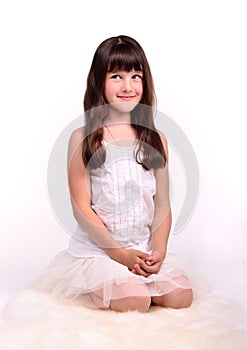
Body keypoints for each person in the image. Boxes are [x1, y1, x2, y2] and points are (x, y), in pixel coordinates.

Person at [33, 35, 193, 313]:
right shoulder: (83, 138)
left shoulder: (156, 139)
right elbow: (81, 208)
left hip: (141, 244)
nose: (128, 86)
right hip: (101, 250)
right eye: (116, 76)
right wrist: (119, 255)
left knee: (181, 297)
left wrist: (158, 252)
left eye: (135, 76)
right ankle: (104, 286)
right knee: (135, 302)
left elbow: (163, 204)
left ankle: (139, 277)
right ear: (99, 82)